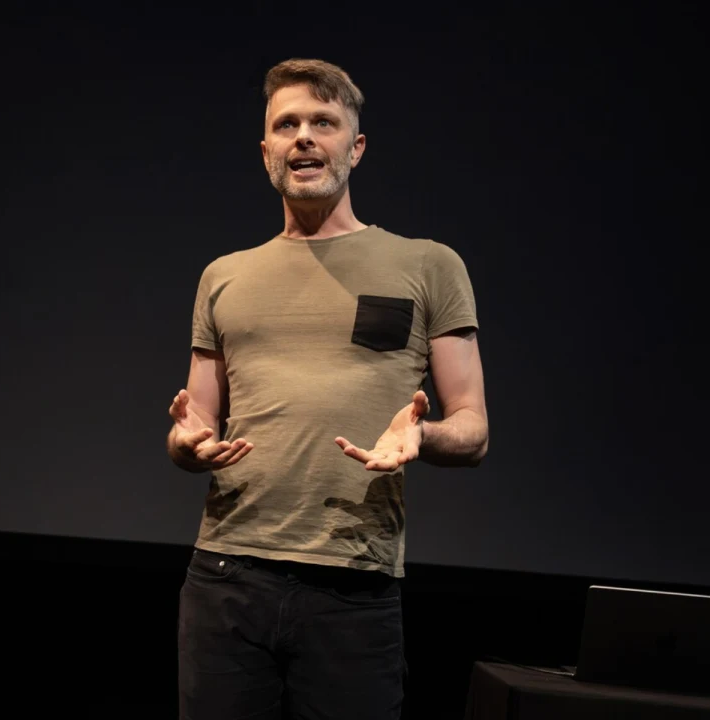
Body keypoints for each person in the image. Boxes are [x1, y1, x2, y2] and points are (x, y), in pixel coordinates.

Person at [166, 58, 489, 720]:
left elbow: (474, 428)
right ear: (266, 151)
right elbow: (195, 418)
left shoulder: (427, 265)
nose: (304, 137)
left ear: (356, 146)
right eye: (286, 124)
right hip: (227, 576)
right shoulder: (224, 275)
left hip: (354, 587)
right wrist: (185, 442)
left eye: (324, 122)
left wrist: (422, 436)